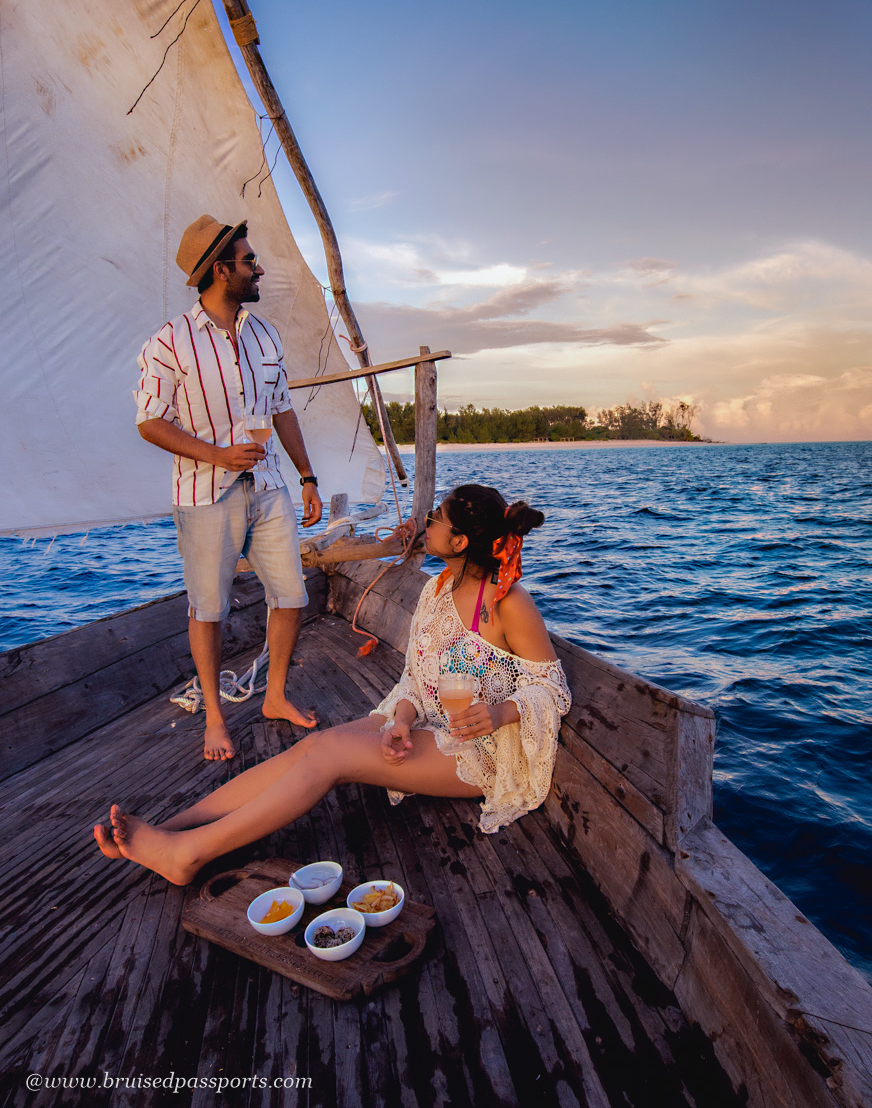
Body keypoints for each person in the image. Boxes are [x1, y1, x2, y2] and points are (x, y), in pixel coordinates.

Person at [93, 484, 571, 884]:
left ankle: (188, 854)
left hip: (478, 751)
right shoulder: (437, 589)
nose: (425, 523)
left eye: (435, 517)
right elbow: (416, 679)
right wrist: (402, 718)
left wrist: (502, 712)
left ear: (461, 541)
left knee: (330, 756)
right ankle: (172, 829)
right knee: (315, 745)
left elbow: (551, 688)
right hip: (429, 725)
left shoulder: (508, 603)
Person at [135, 215, 322, 762]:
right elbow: (150, 421)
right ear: (221, 270)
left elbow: (282, 409)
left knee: (291, 594)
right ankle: (215, 716)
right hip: (204, 494)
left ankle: (276, 695)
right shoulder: (169, 343)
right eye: (248, 261)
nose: (258, 268)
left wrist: (308, 477)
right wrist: (216, 454)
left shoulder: (264, 334)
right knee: (209, 608)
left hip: (269, 487)